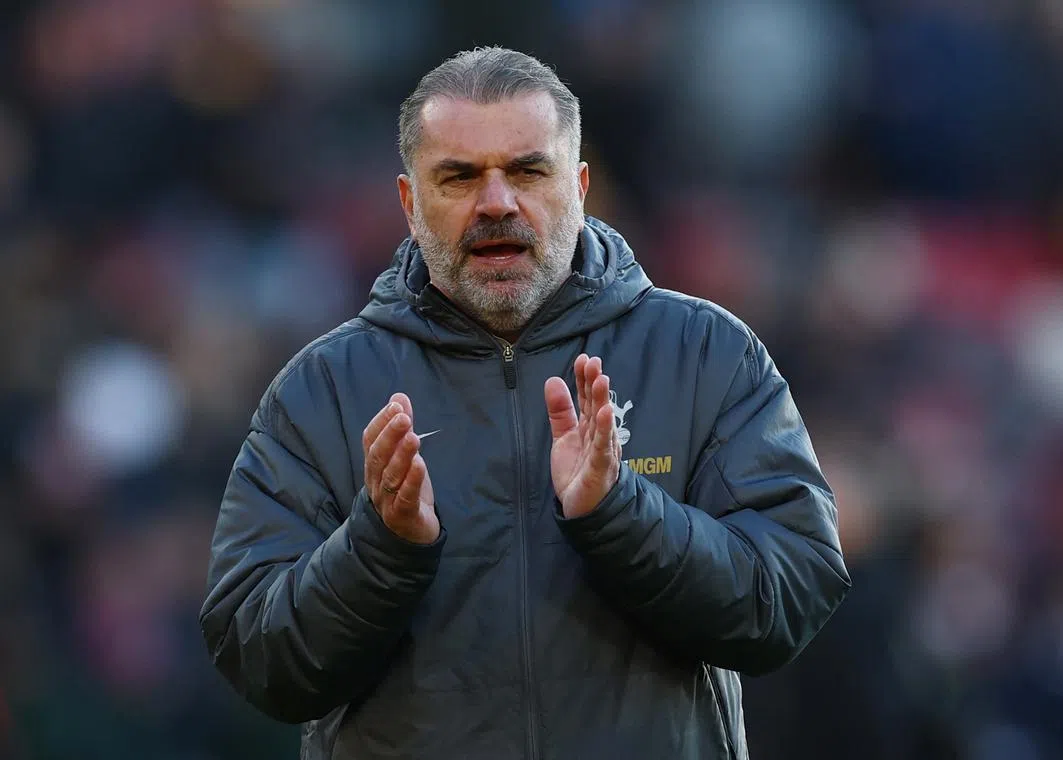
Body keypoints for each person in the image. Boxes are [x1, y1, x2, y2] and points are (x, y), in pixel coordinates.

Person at [199, 46, 850, 760]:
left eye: (528, 171)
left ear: (579, 186)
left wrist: (621, 516)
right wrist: (378, 549)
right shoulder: (320, 391)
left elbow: (788, 601)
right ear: (411, 204)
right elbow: (259, 662)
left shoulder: (705, 354)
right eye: (459, 176)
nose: (498, 202)